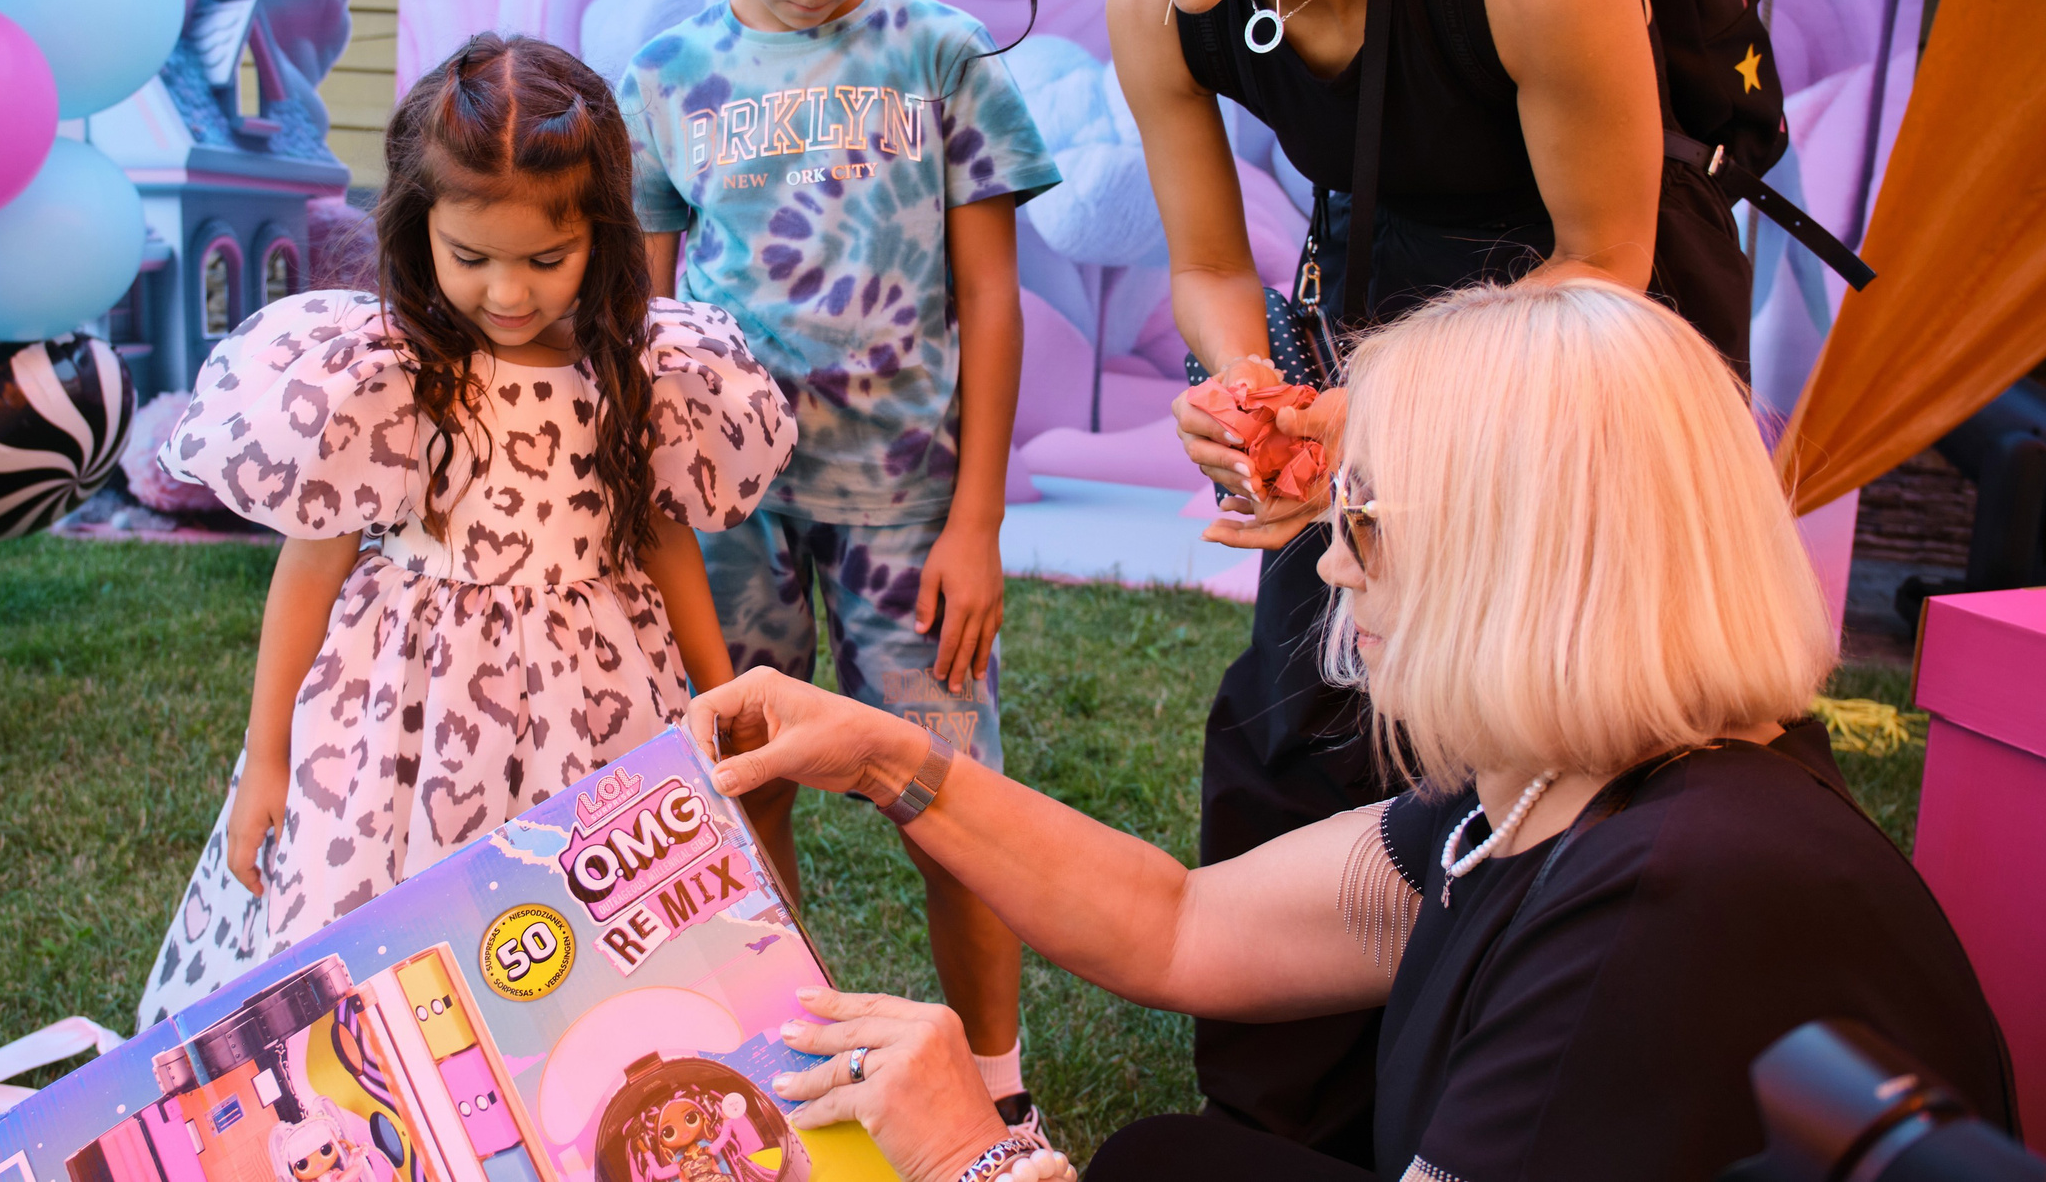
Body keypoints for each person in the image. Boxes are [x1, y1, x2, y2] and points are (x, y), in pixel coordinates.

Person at [690, 281, 2015, 1182]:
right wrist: (879, 751)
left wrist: (975, 1151)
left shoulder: (1659, 918)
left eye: (1367, 523)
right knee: (1173, 1161)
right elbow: (1178, 922)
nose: (1333, 568)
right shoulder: (1574, 789)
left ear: (1524, 562)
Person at [1024, 0, 1691, 1152]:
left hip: (1578, 378)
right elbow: (1206, 265)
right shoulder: (1155, 6)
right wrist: (1251, 395)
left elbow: (1611, 262)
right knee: (1293, 720)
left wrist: (1381, 422)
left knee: (1542, 754)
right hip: (1372, 356)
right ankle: (1279, 1131)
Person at [137, 33, 795, 1026]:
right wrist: (267, 756)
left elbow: (665, 542)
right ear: (418, 229)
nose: (509, 291)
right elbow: (309, 572)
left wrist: (720, 697)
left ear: (600, 234)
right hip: (406, 711)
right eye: (472, 257)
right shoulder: (385, 373)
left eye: (547, 257)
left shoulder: (641, 370)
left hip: (601, 704)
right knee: (390, 933)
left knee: (608, 938)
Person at [617, 0, 1063, 1128]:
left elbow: (991, 300)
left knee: (952, 803)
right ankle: (787, 1077)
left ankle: (995, 1085)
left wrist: (979, 521)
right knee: (742, 790)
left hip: (908, 508)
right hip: (730, 511)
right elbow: (646, 325)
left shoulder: (940, 60)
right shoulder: (671, 78)